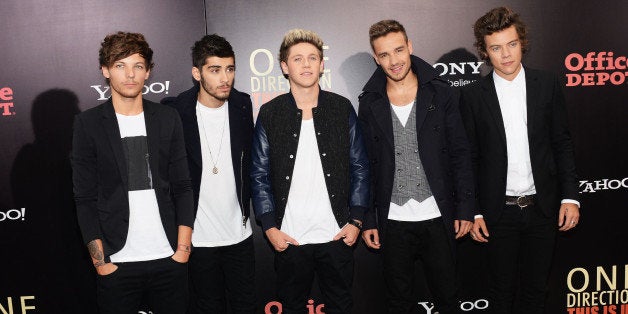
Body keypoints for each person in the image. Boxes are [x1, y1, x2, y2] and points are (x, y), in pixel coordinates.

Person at [459, 7, 580, 313]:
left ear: (522, 42)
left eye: (511, 44)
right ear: (485, 52)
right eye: (496, 48)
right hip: (499, 212)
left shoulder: (547, 84)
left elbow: (561, 143)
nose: (506, 55)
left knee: (537, 291)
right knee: (501, 294)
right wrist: (473, 211)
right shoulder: (472, 96)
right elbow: (468, 158)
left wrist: (570, 197)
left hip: (543, 207)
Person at [72, 31, 194, 314]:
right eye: (119, 65)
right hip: (117, 262)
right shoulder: (88, 124)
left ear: (148, 72)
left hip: (168, 258)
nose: (130, 74)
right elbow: (84, 199)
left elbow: (183, 186)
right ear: (105, 70)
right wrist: (102, 264)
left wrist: (182, 251)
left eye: (137, 66)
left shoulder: (167, 117)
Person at [358, 20, 475, 314]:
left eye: (398, 50)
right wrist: (369, 219)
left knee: (448, 297)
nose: (394, 61)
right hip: (393, 218)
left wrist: (465, 209)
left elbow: (461, 154)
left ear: (410, 47)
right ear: (376, 58)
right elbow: (366, 164)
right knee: (398, 302)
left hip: (438, 213)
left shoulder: (442, 93)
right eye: (384, 55)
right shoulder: (369, 101)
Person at [250, 29, 369, 314]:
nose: (305, 65)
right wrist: (269, 227)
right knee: (292, 307)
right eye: (298, 59)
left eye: (312, 58)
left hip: (337, 234)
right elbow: (258, 174)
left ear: (321, 64)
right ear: (284, 67)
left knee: (341, 305)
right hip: (290, 237)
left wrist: (356, 220)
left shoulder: (341, 108)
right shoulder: (270, 113)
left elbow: (360, 166)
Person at [163, 34, 255, 314]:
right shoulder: (175, 111)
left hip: (239, 235)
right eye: (215, 70)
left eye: (230, 69)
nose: (225, 78)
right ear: (197, 73)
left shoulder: (242, 105)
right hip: (197, 239)